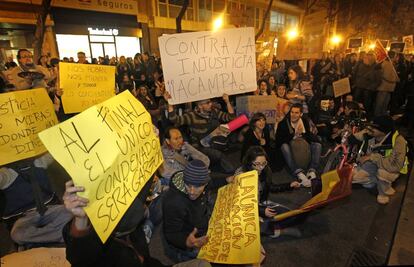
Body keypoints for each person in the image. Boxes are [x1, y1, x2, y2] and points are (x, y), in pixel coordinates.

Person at [162, 160, 230, 262]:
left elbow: (212, 181)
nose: (192, 191)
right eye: (188, 185)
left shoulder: (204, 182)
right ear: (184, 181)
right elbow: (171, 233)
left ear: (205, 183)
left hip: (199, 223)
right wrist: (187, 242)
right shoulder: (173, 203)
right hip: (187, 241)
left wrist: (227, 179)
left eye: (198, 186)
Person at [0, 153, 72, 246]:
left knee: (72, 212)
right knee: (17, 234)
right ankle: (60, 234)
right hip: (23, 217)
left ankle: (39, 239)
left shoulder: (39, 161)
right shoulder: (5, 174)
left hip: (49, 208)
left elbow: (55, 151)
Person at [235, 146, 302, 238]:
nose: (261, 167)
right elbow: (243, 203)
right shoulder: (242, 175)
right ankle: (280, 232)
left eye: (264, 163)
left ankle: (270, 225)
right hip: (245, 209)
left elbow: (270, 187)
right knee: (258, 228)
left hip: (260, 203)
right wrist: (262, 211)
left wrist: (289, 185)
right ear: (249, 163)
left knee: (290, 215)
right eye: (257, 164)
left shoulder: (266, 170)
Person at [166, 94, 236, 174]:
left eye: (210, 102)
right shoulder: (192, 116)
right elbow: (175, 120)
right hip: (200, 146)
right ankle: (232, 175)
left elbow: (231, 117)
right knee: (218, 155)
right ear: (200, 106)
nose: (211, 104)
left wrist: (227, 102)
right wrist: (170, 103)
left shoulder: (214, 112)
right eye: (207, 102)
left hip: (216, 142)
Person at [352, 115, 408, 204]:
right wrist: (349, 138)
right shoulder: (370, 133)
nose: (369, 128)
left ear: (383, 131)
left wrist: (372, 157)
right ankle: (376, 182)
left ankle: (384, 192)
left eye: (373, 127)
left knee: (383, 174)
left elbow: (394, 166)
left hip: (390, 168)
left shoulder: (398, 141)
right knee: (354, 177)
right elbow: (357, 136)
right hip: (373, 163)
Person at [274, 104, 321, 186]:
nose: (293, 115)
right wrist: (294, 135)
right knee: (284, 146)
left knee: (317, 145)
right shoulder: (283, 123)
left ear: (301, 114)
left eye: (296, 113)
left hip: (302, 146)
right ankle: (298, 172)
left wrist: (305, 136)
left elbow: (308, 135)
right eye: (292, 112)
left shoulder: (304, 121)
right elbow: (278, 141)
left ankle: (312, 170)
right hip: (289, 148)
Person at [374, 51, 400, 116]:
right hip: (383, 87)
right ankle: (377, 116)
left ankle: (383, 116)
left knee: (385, 103)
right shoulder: (385, 63)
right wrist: (395, 79)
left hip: (388, 87)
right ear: (392, 56)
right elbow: (386, 75)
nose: (396, 58)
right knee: (380, 103)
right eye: (395, 56)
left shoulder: (390, 63)